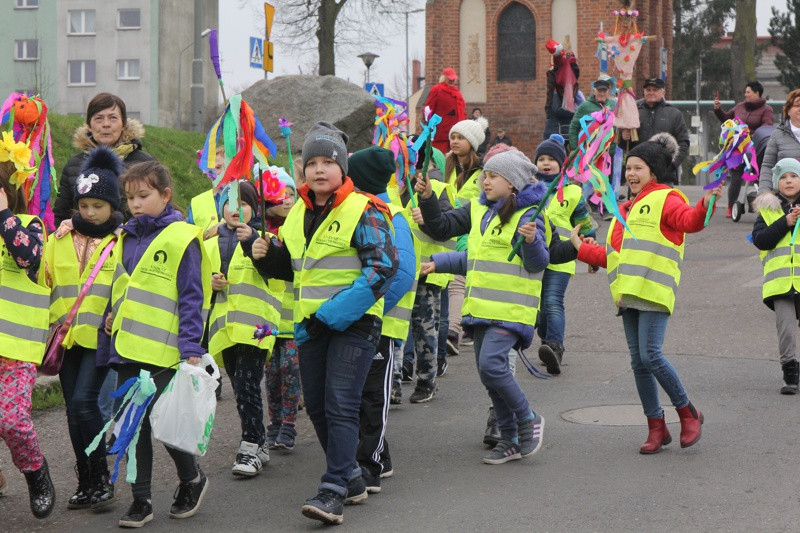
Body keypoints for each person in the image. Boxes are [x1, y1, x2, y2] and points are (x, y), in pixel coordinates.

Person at [246, 122, 397, 525]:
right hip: (309, 327)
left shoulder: (365, 208)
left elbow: (382, 269)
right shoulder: (297, 212)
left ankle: (332, 491)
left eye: (327, 161)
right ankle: (350, 477)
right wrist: (264, 254)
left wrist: (330, 316)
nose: (318, 169)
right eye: (311, 162)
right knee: (316, 405)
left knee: (340, 402)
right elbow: (297, 270)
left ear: (342, 167)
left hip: (354, 324)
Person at [571, 133, 721, 454]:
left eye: (638, 167)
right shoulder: (622, 208)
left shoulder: (668, 198)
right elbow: (614, 257)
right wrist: (580, 249)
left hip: (653, 291)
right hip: (627, 296)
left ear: (653, 170)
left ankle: (687, 411)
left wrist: (706, 204)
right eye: (628, 168)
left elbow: (690, 221)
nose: (630, 174)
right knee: (639, 363)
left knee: (651, 355)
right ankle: (657, 427)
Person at [414, 150, 552, 464]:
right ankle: (509, 438)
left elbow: (538, 263)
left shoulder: (529, 215)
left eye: (492, 176)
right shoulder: (481, 210)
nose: (484, 181)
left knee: (492, 366)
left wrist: (531, 242)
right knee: (488, 374)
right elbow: (467, 251)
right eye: (484, 175)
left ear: (513, 183)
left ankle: (528, 417)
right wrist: (438, 262)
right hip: (480, 307)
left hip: (511, 309)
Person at [99, 160, 211, 528]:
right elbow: (122, 287)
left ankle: (192, 477)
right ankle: (141, 499)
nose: (135, 203)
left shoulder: (182, 238)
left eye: (144, 196)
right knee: (133, 427)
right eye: (129, 197)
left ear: (166, 195)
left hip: (167, 352)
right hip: (129, 348)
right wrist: (112, 316)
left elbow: (191, 297)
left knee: (168, 424)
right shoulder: (125, 236)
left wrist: (191, 349)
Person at [46, 147, 123, 512]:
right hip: (66, 339)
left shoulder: (122, 241)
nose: (89, 213)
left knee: (84, 402)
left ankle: (101, 477)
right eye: (84, 205)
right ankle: (85, 481)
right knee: (72, 411)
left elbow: (128, 286)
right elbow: (44, 280)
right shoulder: (59, 237)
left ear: (112, 206)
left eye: (98, 205)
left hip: (102, 339)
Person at [348, 146, 417, 493]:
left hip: (381, 325)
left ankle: (370, 466)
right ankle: (376, 455)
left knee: (373, 397)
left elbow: (402, 274)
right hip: (360, 321)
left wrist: (365, 310)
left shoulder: (391, 214)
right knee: (357, 395)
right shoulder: (359, 209)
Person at [206, 180, 278, 477]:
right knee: (240, 387)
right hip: (226, 328)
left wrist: (252, 242)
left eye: (244, 204)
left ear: (255, 208)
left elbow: (275, 272)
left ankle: (250, 446)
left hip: (257, 326)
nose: (236, 209)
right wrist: (210, 282)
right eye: (229, 203)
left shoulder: (266, 238)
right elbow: (195, 281)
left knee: (248, 385)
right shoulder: (209, 242)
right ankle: (259, 440)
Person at [0, 148, 56, 519]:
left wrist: (4, 216)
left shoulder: (29, 224)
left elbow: (29, 259)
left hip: (16, 350)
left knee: (11, 423)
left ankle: (36, 472)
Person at [397, 150, 456, 404]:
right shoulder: (393, 189)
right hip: (398, 270)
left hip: (425, 270)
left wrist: (426, 221)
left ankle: (427, 380)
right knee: (396, 328)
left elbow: (445, 229)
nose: (413, 167)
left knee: (424, 329)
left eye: (420, 162)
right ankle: (393, 380)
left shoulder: (439, 188)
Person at [534, 135, 595, 375]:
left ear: (562, 164)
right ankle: (545, 340)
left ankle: (555, 347)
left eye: (551, 159)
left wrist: (591, 254)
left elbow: (585, 226)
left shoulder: (573, 193)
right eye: (541, 159)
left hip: (562, 257)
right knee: (539, 308)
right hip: (535, 255)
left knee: (552, 301)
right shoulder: (529, 187)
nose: (546, 163)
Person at [54, 93, 155, 225]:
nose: (106, 124)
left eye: (113, 118)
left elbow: (155, 210)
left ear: (123, 123)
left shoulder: (144, 164)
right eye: (99, 118)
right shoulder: (75, 164)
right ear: (89, 125)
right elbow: (60, 214)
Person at [751, 158, 800, 394]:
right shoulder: (768, 210)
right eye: (783, 177)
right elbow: (761, 240)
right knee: (786, 329)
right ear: (776, 182)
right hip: (779, 283)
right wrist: (786, 222)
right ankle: (790, 374)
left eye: (793, 176)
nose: (788, 181)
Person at [262, 167, 301, 452]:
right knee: (271, 372)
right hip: (266, 316)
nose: (287, 200)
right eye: (280, 194)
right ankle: (274, 421)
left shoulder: (299, 226)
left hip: (293, 315)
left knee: (291, 368)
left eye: (291, 194)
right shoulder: (260, 231)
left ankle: (289, 423)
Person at [444, 120, 485, 354]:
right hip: (446, 230)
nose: (455, 141)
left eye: (460, 137)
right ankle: (458, 327)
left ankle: (454, 330)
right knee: (453, 282)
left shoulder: (482, 172)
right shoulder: (445, 165)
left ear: (473, 142)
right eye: (453, 137)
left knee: (460, 281)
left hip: (470, 233)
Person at [714, 81, 774, 217]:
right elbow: (725, 119)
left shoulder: (767, 110)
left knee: (759, 176)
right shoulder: (740, 107)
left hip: (755, 148)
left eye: (748, 92)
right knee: (735, 177)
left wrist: (749, 135)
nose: (745, 94)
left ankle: (764, 203)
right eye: (745, 92)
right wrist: (718, 110)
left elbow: (766, 128)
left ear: (757, 93)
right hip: (737, 148)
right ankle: (731, 206)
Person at [621, 78, 689, 186]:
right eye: (648, 90)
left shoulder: (674, 113)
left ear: (663, 93)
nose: (651, 93)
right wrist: (623, 138)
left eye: (655, 90)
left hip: (664, 177)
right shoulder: (635, 111)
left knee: (663, 203)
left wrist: (671, 165)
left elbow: (683, 143)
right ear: (644, 92)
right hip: (638, 177)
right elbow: (625, 145)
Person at [758, 89, 800, 192]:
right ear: (788, 110)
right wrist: (764, 193)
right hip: (785, 196)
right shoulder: (777, 135)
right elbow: (768, 166)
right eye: (797, 105)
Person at [425, 67, 467, 154]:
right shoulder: (437, 90)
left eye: (453, 79)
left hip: (456, 131)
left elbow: (462, 111)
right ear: (444, 78)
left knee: (455, 157)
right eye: (450, 79)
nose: (452, 81)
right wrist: (431, 126)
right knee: (440, 158)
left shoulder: (457, 92)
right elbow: (428, 109)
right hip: (441, 133)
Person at [569, 76, 615, 152]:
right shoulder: (584, 107)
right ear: (594, 91)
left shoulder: (613, 106)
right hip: (589, 152)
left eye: (604, 91)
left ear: (608, 91)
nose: (602, 93)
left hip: (608, 152)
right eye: (599, 91)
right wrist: (573, 148)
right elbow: (574, 127)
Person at [186, 145, 226, 231]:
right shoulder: (196, 202)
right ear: (208, 170)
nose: (223, 172)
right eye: (218, 167)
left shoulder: (244, 199)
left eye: (229, 167)